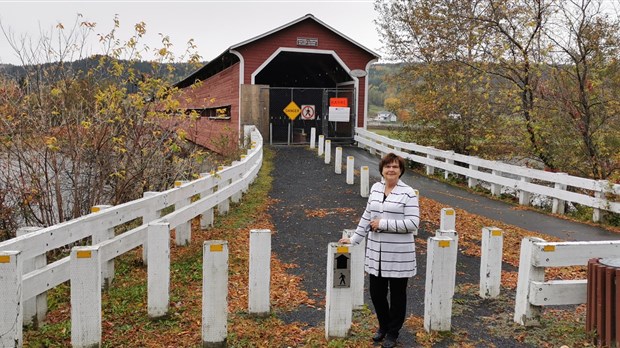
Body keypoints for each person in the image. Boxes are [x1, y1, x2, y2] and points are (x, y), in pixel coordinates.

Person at [339, 152, 419, 348]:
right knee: (376, 293)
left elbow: (413, 223)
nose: (391, 170)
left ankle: (393, 332)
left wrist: (384, 224)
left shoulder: (408, 193)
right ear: (382, 170)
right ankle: (383, 326)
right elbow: (367, 217)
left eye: (395, 167)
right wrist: (354, 239)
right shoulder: (376, 188)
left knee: (398, 294)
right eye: (387, 166)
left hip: (399, 253)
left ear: (401, 171)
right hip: (377, 253)